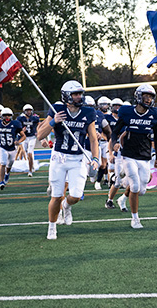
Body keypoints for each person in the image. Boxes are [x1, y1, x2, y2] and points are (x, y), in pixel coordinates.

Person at [36, 80, 99, 240]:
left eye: (80, 93)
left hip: (78, 158)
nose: (79, 97)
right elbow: (40, 135)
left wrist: (96, 157)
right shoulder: (58, 109)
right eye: (75, 94)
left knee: (76, 196)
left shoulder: (88, 112)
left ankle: (67, 206)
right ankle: (51, 227)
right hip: (59, 157)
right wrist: (53, 121)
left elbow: (93, 138)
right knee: (56, 195)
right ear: (66, 96)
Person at [111, 84, 157, 229]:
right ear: (138, 96)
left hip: (144, 156)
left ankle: (123, 193)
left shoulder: (154, 114)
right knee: (135, 185)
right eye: (146, 96)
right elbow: (115, 131)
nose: (148, 99)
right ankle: (135, 218)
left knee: (142, 190)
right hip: (128, 155)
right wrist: (114, 142)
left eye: (151, 96)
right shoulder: (127, 112)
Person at [0, 108, 26, 190]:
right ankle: (1, 182)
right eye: (5, 115)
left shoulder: (15, 124)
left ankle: (7, 173)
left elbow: (23, 136)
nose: (7, 117)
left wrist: (18, 141)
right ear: (2, 116)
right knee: (3, 163)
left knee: (10, 164)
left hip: (12, 148)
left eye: (8, 115)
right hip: (2, 147)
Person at [17, 104, 40, 177]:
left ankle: (30, 171)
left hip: (32, 137)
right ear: (24, 111)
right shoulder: (20, 119)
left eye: (30, 110)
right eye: (27, 110)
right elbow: (17, 127)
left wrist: (38, 131)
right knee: (27, 154)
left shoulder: (35, 118)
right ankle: (31, 166)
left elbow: (39, 125)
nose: (29, 112)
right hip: (24, 138)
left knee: (30, 153)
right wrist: (21, 131)